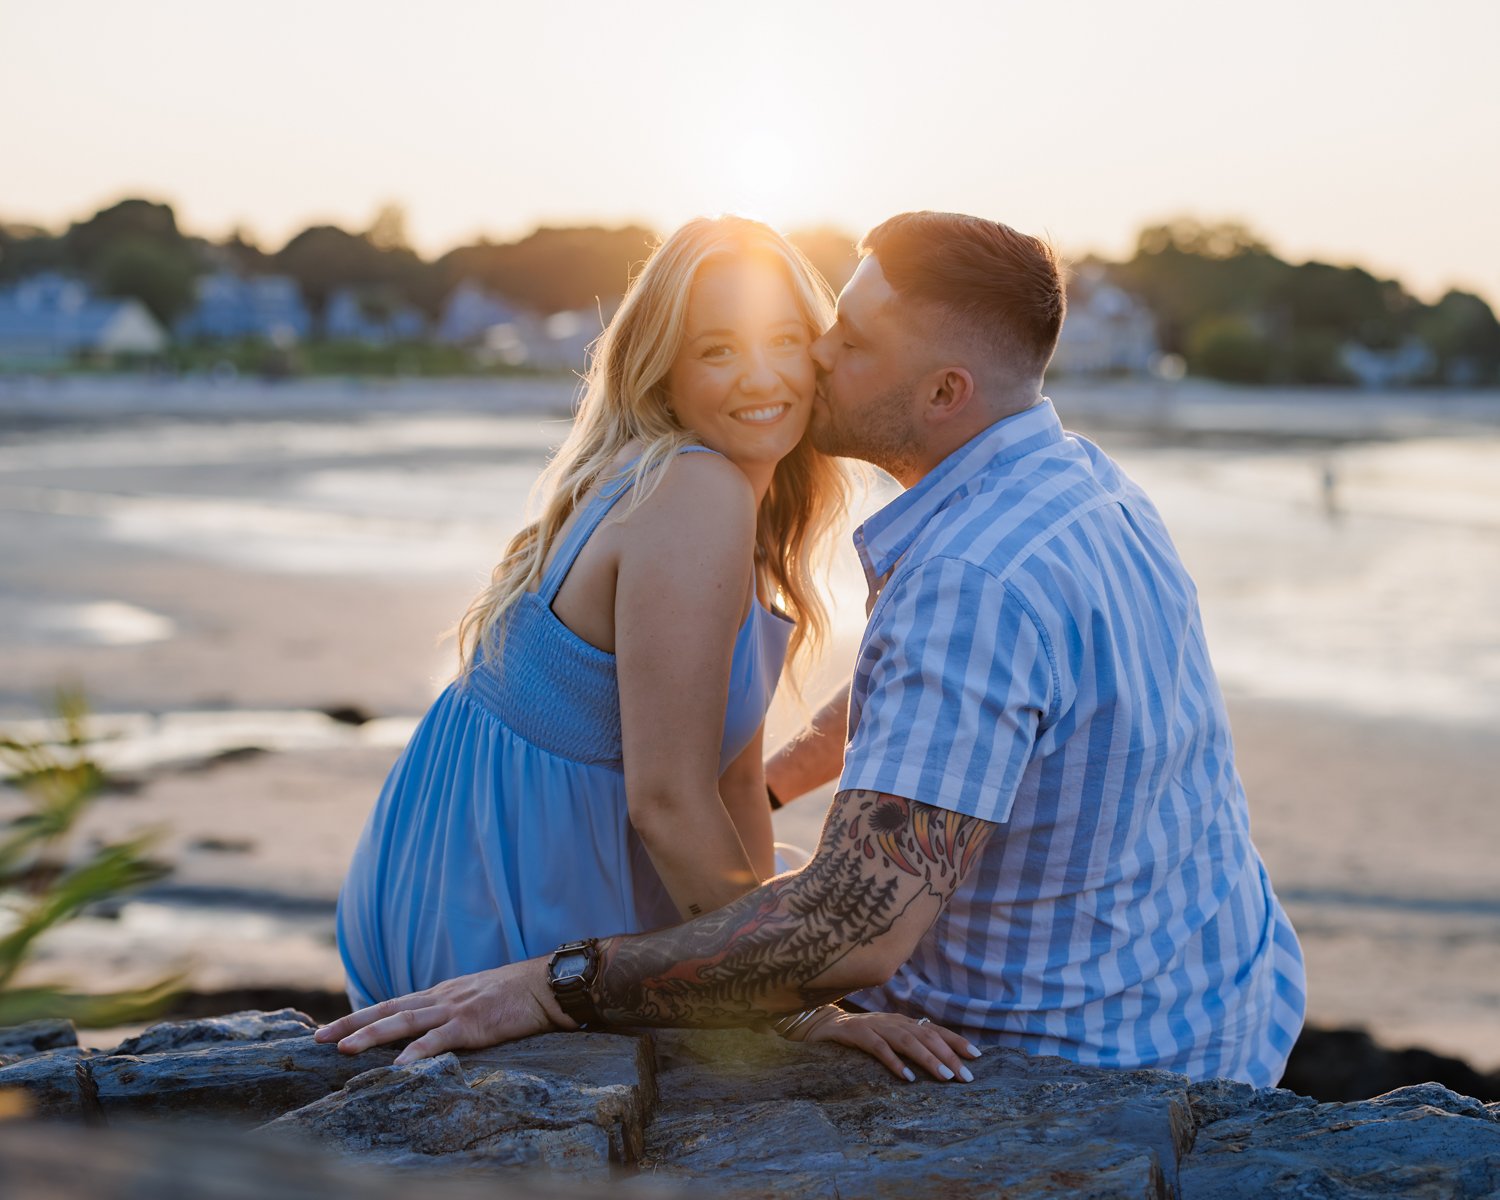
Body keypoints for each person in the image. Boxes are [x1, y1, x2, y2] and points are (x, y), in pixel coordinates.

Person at [319, 211, 1306, 1088]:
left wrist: (568, 980)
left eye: (835, 336)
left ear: (944, 392)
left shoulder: (964, 577)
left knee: (782, 903)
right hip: (1219, 987)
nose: (813, 359)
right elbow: (878, 750)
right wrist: (760, 831)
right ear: (665, 365)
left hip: (1098, 1041)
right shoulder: (1081, 488)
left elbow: (857, 907)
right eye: (814, 327)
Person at [333, 215, 976, 1082]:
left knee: (811, 901)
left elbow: (733, 783)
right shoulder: (693, 489)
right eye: (717, 351)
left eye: (786, 339)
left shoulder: (714, 499)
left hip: (450, 866)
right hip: (499, 895)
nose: (763, 376)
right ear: (664, 369)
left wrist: (778, 979)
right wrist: (797, 1007)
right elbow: (669, 803)